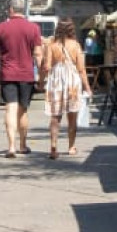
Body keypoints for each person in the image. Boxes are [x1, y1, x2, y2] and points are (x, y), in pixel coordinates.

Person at [0, 1, 43, 157]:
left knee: (10, 109)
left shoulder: (1, 28)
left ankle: (11, 147)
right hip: (26, 75)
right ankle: (22, 145)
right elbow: (38, 54)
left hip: (7, 74)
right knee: (23, 111)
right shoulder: (33, 28)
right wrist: (41, 74)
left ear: (11, 10)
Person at [39, 18, 91, 160]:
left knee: (55, 117)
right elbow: (81, 70)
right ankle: (71, 146)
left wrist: (41, 80)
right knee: (72, 116)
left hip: (56, 82)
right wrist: (88, 88)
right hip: (72, 82)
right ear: (71, 30)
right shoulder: (76, 45)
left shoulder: (51, 45)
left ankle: (53, 147)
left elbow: (47, 67)